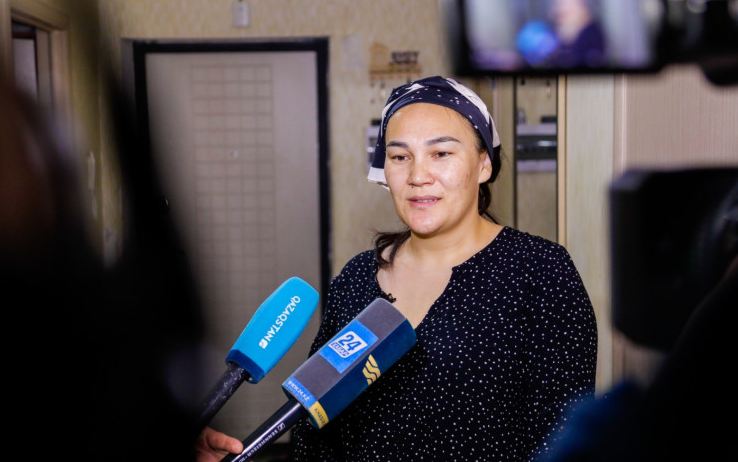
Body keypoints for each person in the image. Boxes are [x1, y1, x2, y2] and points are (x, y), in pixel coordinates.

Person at [198, 76, 597, 461]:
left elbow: (564, 437)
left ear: (483, 165)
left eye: (441, 153)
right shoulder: (356, 279)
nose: (418, 176)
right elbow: (317, 435)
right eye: (400, 157)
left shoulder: (540, 273)